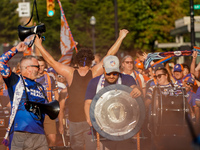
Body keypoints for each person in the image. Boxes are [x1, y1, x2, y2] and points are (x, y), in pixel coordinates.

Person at [34, 29, 129, 150]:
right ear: (91, 61)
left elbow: (51, 62)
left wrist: (39, 45)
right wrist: (120, 37)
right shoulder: (94, 72)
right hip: (91, 119)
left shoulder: (70, 73)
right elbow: (109, 55)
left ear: (76, 61)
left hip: (75, 120)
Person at [84, 55, 141, 150]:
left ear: (119, 70)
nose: (111, 76)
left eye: (115, 73)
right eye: (108, 73)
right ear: (103, 69)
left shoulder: (127, 79)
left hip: (124, 127)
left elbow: (133, 87)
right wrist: (88, 118)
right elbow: (88, 102)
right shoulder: (94, 82)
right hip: (102, 127)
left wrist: (136, 89)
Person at [0, 43, 48, 150]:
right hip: (20, 133)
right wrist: (16, 49)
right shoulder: (15, 81)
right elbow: (1, 62)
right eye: (37, 66)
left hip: (40, 135)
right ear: (28, 68)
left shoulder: (40, 87)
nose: (40, 69)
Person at [35, 56, 59, 147]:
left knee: (52, 139)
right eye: (38, 65)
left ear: (45, 66)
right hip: (36, 112)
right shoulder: (30, 78)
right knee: (37, 140)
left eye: (42, 65)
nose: (40, 68)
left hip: (48, 111)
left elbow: (56, 93)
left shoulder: (50, 77)